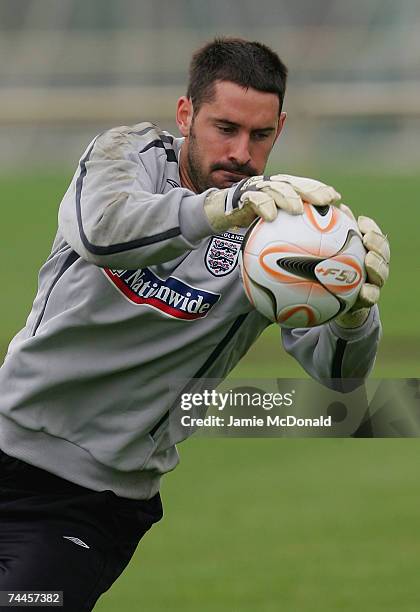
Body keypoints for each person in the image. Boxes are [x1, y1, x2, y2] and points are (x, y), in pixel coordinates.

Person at [0, 38, 389, 610]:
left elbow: (338, 377)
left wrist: (353, 311)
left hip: (89, 501)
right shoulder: (125, 156)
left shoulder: (282, 234)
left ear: (279, 128)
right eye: (223, 128)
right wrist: (212, 211)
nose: (240, 152)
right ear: (186, 114)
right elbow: (100, 232)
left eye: (260, 135)